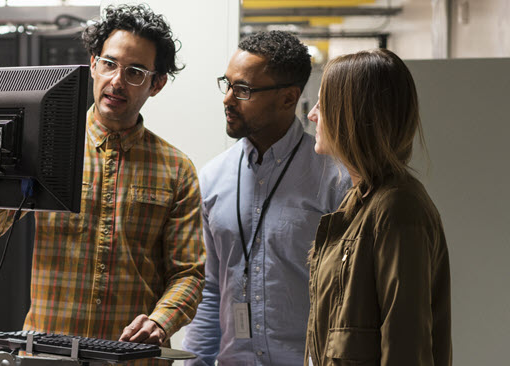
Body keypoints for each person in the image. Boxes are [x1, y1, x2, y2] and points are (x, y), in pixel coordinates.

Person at [0, 4, 203, 364]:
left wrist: (160, 322)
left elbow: (188, 274)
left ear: (157, 83)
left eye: (135, 72)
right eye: (109, 64)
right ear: (93, 64)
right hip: (47, 356)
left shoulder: (177, 169)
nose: (117, 81)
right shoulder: (46, 149)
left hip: (130, 357)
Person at [182, 31, 351, 365]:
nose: (228, 99)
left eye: (243, 90)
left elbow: (347, 297)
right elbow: (211, 289)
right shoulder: (212, 179)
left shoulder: (335, 179)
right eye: (227, 84)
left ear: (288, 98)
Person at [304, 48, 451, 365]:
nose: (312, 115)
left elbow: (405, 348)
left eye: (322, 105)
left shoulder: (397, 209)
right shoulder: (361, 203)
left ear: (350, 116)